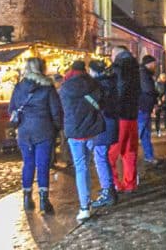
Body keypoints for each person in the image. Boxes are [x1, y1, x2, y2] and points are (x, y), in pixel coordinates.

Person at [9, 57, 62, 214]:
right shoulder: (48, 88)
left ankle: (27, 198)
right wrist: (57, 128)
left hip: (25, 130)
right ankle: (44, 201)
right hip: (44, 130)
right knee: (43, 164)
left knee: (28, 163)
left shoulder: (19, 87)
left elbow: (12, 108)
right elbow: (56, 111)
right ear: (42, 68)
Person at [58, 61, 105, 222]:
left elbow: (61, 110)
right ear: (84, 70)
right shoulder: (93, 83)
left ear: (71, 70)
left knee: (81, 167)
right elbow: (101, 103)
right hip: (92, 130)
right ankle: (90, 199)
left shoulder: (65, 87)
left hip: (74, 131)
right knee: (90, 163)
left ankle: (84, 206)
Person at [107, 46, 141, 194]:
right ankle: (130, 183)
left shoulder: (119, 68)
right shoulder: (135, 68)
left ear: (116, 54)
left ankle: (114, 184)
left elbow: (119, 90)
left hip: (120, 116)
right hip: (132, 115)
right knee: (130, 151)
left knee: (110, 154)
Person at [88, 60, 118, 208]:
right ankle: (109, 189)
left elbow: (97, 104)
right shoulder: (112, 82)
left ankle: (108, 191)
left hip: (103, 123)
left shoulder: (98, 86)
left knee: (100, 156)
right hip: (111, 121)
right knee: (103, 155)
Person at [138, 55, 160, 165]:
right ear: (149, 64)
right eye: (154, 64)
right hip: (142, 107)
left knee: (145, 133)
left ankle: (149, 156)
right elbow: (148, 89)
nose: (155, 66)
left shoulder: (146, 74)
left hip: (145, 108)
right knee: (140, 132)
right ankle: (128, 156)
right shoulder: (143, 74)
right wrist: (157, 93)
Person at [154, 73, 166, 137]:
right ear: (160, 78)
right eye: (163, 77)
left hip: (165, 102)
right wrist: (159, 99)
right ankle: (158, 130)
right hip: (158, 103)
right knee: (157, 117)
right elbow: (155, 93)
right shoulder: (157, 84)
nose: (164, 79)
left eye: (165, 77)